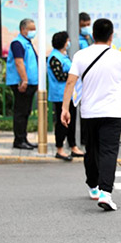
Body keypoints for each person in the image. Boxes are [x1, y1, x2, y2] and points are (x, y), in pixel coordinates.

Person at [61, 18, 121, 211]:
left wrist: (65, 108)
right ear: (111, 36)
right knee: (109, 151)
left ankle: (93, 186)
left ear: (93, 35)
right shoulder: (120, 57)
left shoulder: (80, 55)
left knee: (91, 150)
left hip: (89, 112)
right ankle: (106, 193)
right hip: (113, 112)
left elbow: (70, 82)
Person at [47, 31, 83, 160]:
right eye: (67, 40)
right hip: (60, 95)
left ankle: (73, 146)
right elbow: (60, 76)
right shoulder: (54, 58)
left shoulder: (64, 56)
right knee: (62, 123)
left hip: (71, 94)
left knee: (72, 121)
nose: (69, 43)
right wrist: (74, 76)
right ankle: (60, 149)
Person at [6, 18, 38, 150]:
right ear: (23, 29)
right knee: (21, 112)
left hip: (30, 83)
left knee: (25, 112)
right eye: (31, 29)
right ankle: (19, 140)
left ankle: (23, 138)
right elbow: (19, 63)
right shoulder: (18, 43)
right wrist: (24, 80)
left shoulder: (27, 43)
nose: (33, 31)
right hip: (22, 83)